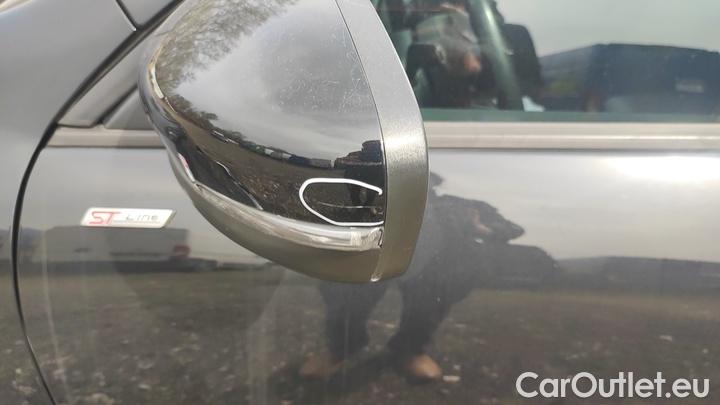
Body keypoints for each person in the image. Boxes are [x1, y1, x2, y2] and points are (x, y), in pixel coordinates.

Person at [299, 174, 556, 382]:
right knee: (345, 292)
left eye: (425, 178)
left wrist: (480, 227)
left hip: (437, 265)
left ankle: (409, 350)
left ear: (434, 183)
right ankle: (341, 347)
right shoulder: (372, 198)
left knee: (430, 301)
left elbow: (513, 229)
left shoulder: (462, 205)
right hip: (377, 253)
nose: (418, 182)